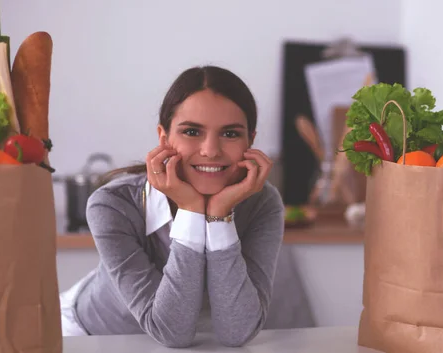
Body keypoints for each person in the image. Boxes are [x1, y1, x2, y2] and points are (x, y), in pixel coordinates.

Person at [59, 65, 285, 348]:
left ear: (250, 141)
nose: (211, 150)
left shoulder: (262, 203)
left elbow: (238, 332)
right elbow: (170, 331)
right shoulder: (113, 204)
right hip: (93, 337)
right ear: (164, 139)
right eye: (192, 131)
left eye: (230, 134)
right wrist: (191, 209)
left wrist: (219, 217)